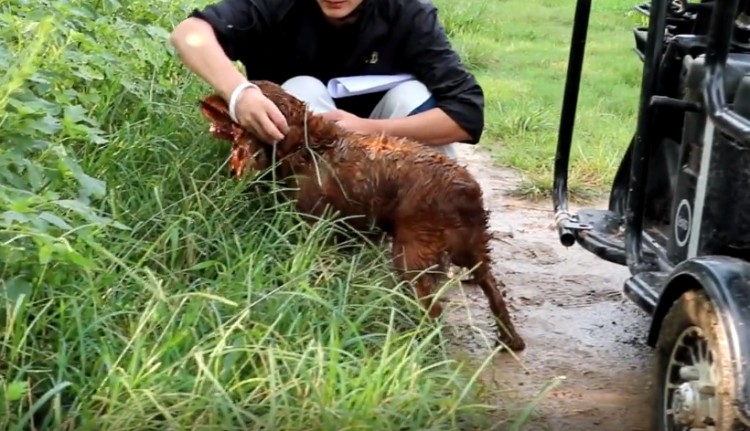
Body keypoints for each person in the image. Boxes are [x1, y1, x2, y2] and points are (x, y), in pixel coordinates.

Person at [169, 0, 485, 159]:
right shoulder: (276, 5)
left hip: (388, 149)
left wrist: (368, 129)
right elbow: (189, 34)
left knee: (410, 94)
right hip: (307, 158)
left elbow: (467, 114)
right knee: (301, 89)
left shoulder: (407, 12)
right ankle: (317, 232)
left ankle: (435, 224)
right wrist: (240, 93)